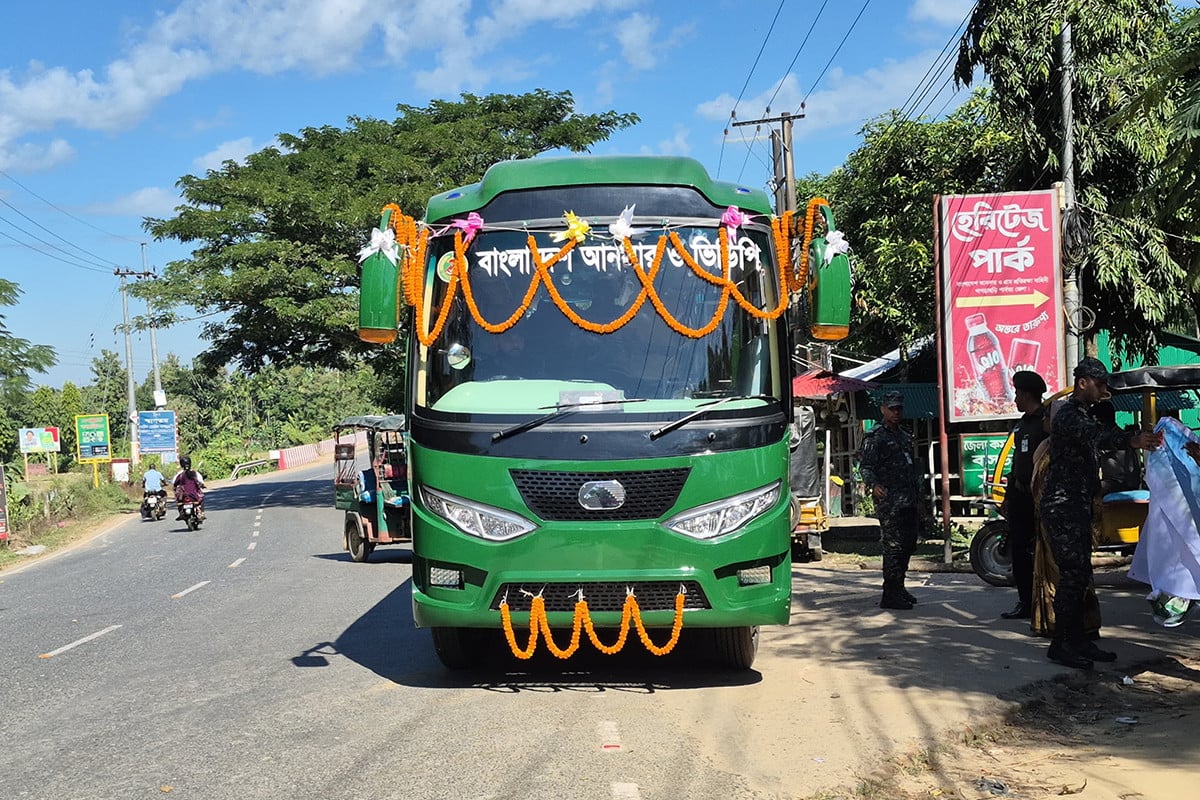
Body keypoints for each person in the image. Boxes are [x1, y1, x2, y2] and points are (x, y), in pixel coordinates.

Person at [1039, 357, 1162, 669]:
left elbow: (1100, 434)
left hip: (1076, 505)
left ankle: (1078, 639)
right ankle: (1060, 644)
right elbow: (1100, 436)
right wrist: (1133, 440)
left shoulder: (1083, 413)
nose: (1103, 389)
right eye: (1099, 383)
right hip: (1062, 506)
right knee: (1072, 574)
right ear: (1083, 383)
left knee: (1081, 575)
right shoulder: (1068, 415)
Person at [860, 389, 923, 610]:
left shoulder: (904, 436)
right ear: (883, 409)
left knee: (907, 545)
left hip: (909, 500)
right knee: (893, 547)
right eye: (892, 408)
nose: (896, 412)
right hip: (890, 502)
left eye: (899, 408)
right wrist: (874, 485)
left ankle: (899, 586)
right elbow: (866, 467)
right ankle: (890, 593)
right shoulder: (875, 436)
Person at [999, 370, 1048, 620]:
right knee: (1020, 552)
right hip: (1019, 495)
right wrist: (1008, 496)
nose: (1015, 397)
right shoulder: (1021, 424)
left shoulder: (1046, 422)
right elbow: (1017, 463)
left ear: (1027, 394)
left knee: (1040, 551)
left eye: (1018, 393)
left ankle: (1044, 603)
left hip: (1038, 498)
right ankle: (1025, 601)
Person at [172, 455, 207, 520]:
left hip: (183, 496)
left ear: (181, 464)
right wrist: (203, 485)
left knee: (178, 501)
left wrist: (175, 488)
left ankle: (181, 513)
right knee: (202, 498)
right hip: (194, 495)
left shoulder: (180, 475)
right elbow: (200, 482)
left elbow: (174, 483)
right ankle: (201, 513)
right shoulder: (195, 473)